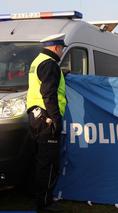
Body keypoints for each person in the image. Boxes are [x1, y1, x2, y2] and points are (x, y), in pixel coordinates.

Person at [26, 33, 67, 212]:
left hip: (36, 117)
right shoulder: (50, 65)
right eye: (62, 48)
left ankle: (38, 197)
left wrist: (62, 74)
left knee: (39, 160)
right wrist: (56, 119)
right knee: (48, 163)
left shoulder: (38, 61)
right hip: (47, 119)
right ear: (56, 48)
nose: (63, 50)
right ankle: (44, 204)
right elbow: (49, 94)